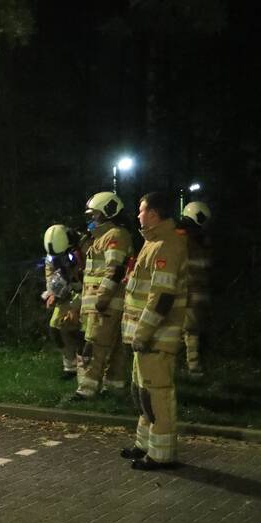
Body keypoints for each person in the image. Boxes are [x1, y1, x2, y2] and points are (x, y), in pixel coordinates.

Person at [120, 192, 188, 470]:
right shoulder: (153, 243)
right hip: (145, 337)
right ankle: (145, 445)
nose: (138, 215)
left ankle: (162, 455)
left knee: (157, 394)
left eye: (142, 210)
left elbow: (162, 297)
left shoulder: (167, 245)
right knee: (143, 393)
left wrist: (143, 333)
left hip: (156, 337)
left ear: (155, 214)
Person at [73, 192, 134, 400]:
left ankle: (87, 390)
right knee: (114, 346)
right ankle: (114, 386)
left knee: (95, 344)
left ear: (108, 213)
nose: (92, 219)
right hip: (106, 303)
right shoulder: (102, 237)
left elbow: (115, 270)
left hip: (107, 303)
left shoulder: (115, 236)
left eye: (95, 215)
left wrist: (103, 298)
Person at [41, 224, 85, 380]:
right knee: (56, 328)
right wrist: (52, 293)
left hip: (88, 294)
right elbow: (51, 276)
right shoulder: (53, 255)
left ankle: (84, 369)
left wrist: (77, 304)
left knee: (81, 332)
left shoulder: (84, 248)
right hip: (65, 295)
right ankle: (70, 366)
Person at [179, 201, 212, 377]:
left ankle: (193, 367)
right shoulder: (202, 242)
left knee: (189, 331)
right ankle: (194, 367)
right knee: (192, 332)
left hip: (186, 292)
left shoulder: (181, 239)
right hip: (197, 293)